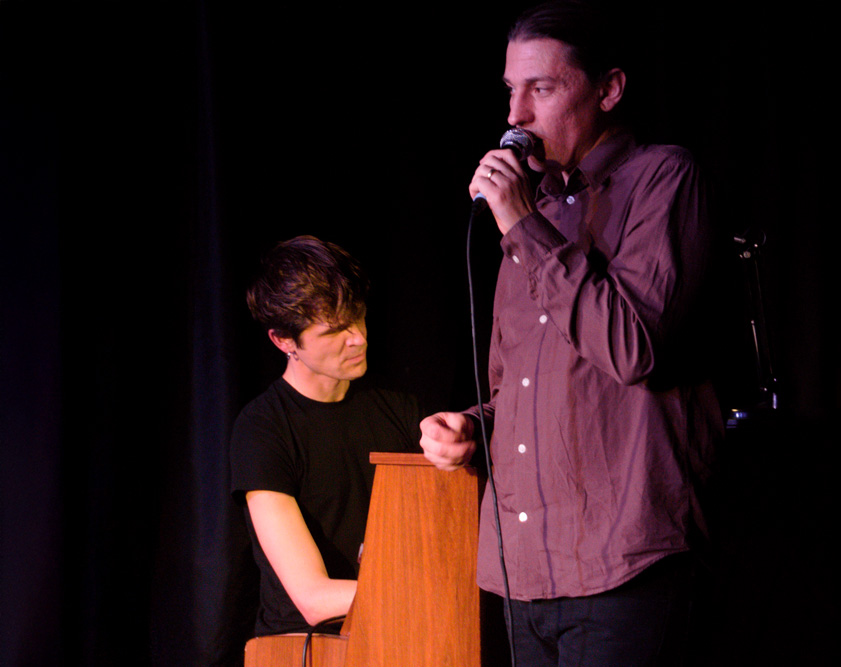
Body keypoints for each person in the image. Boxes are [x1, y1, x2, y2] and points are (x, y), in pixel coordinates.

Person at [419, 1, 723, 664]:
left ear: (608, 89)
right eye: (511, 90)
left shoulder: (662, 177)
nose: (516, 116)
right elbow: (521, 390)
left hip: (626, 567)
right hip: (525, 573)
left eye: (542, 89)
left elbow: (633, 349)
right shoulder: (533, 217)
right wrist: (471, 425)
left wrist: (522, 226)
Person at [230, 235, 421, 637]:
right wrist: (426, 592)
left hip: (397, 630)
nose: (359, 338)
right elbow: (313, 598)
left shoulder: (397, 407)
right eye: (335, 330)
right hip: (306, 645)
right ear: (284, 341)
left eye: (358, 317)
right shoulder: (263, 428)